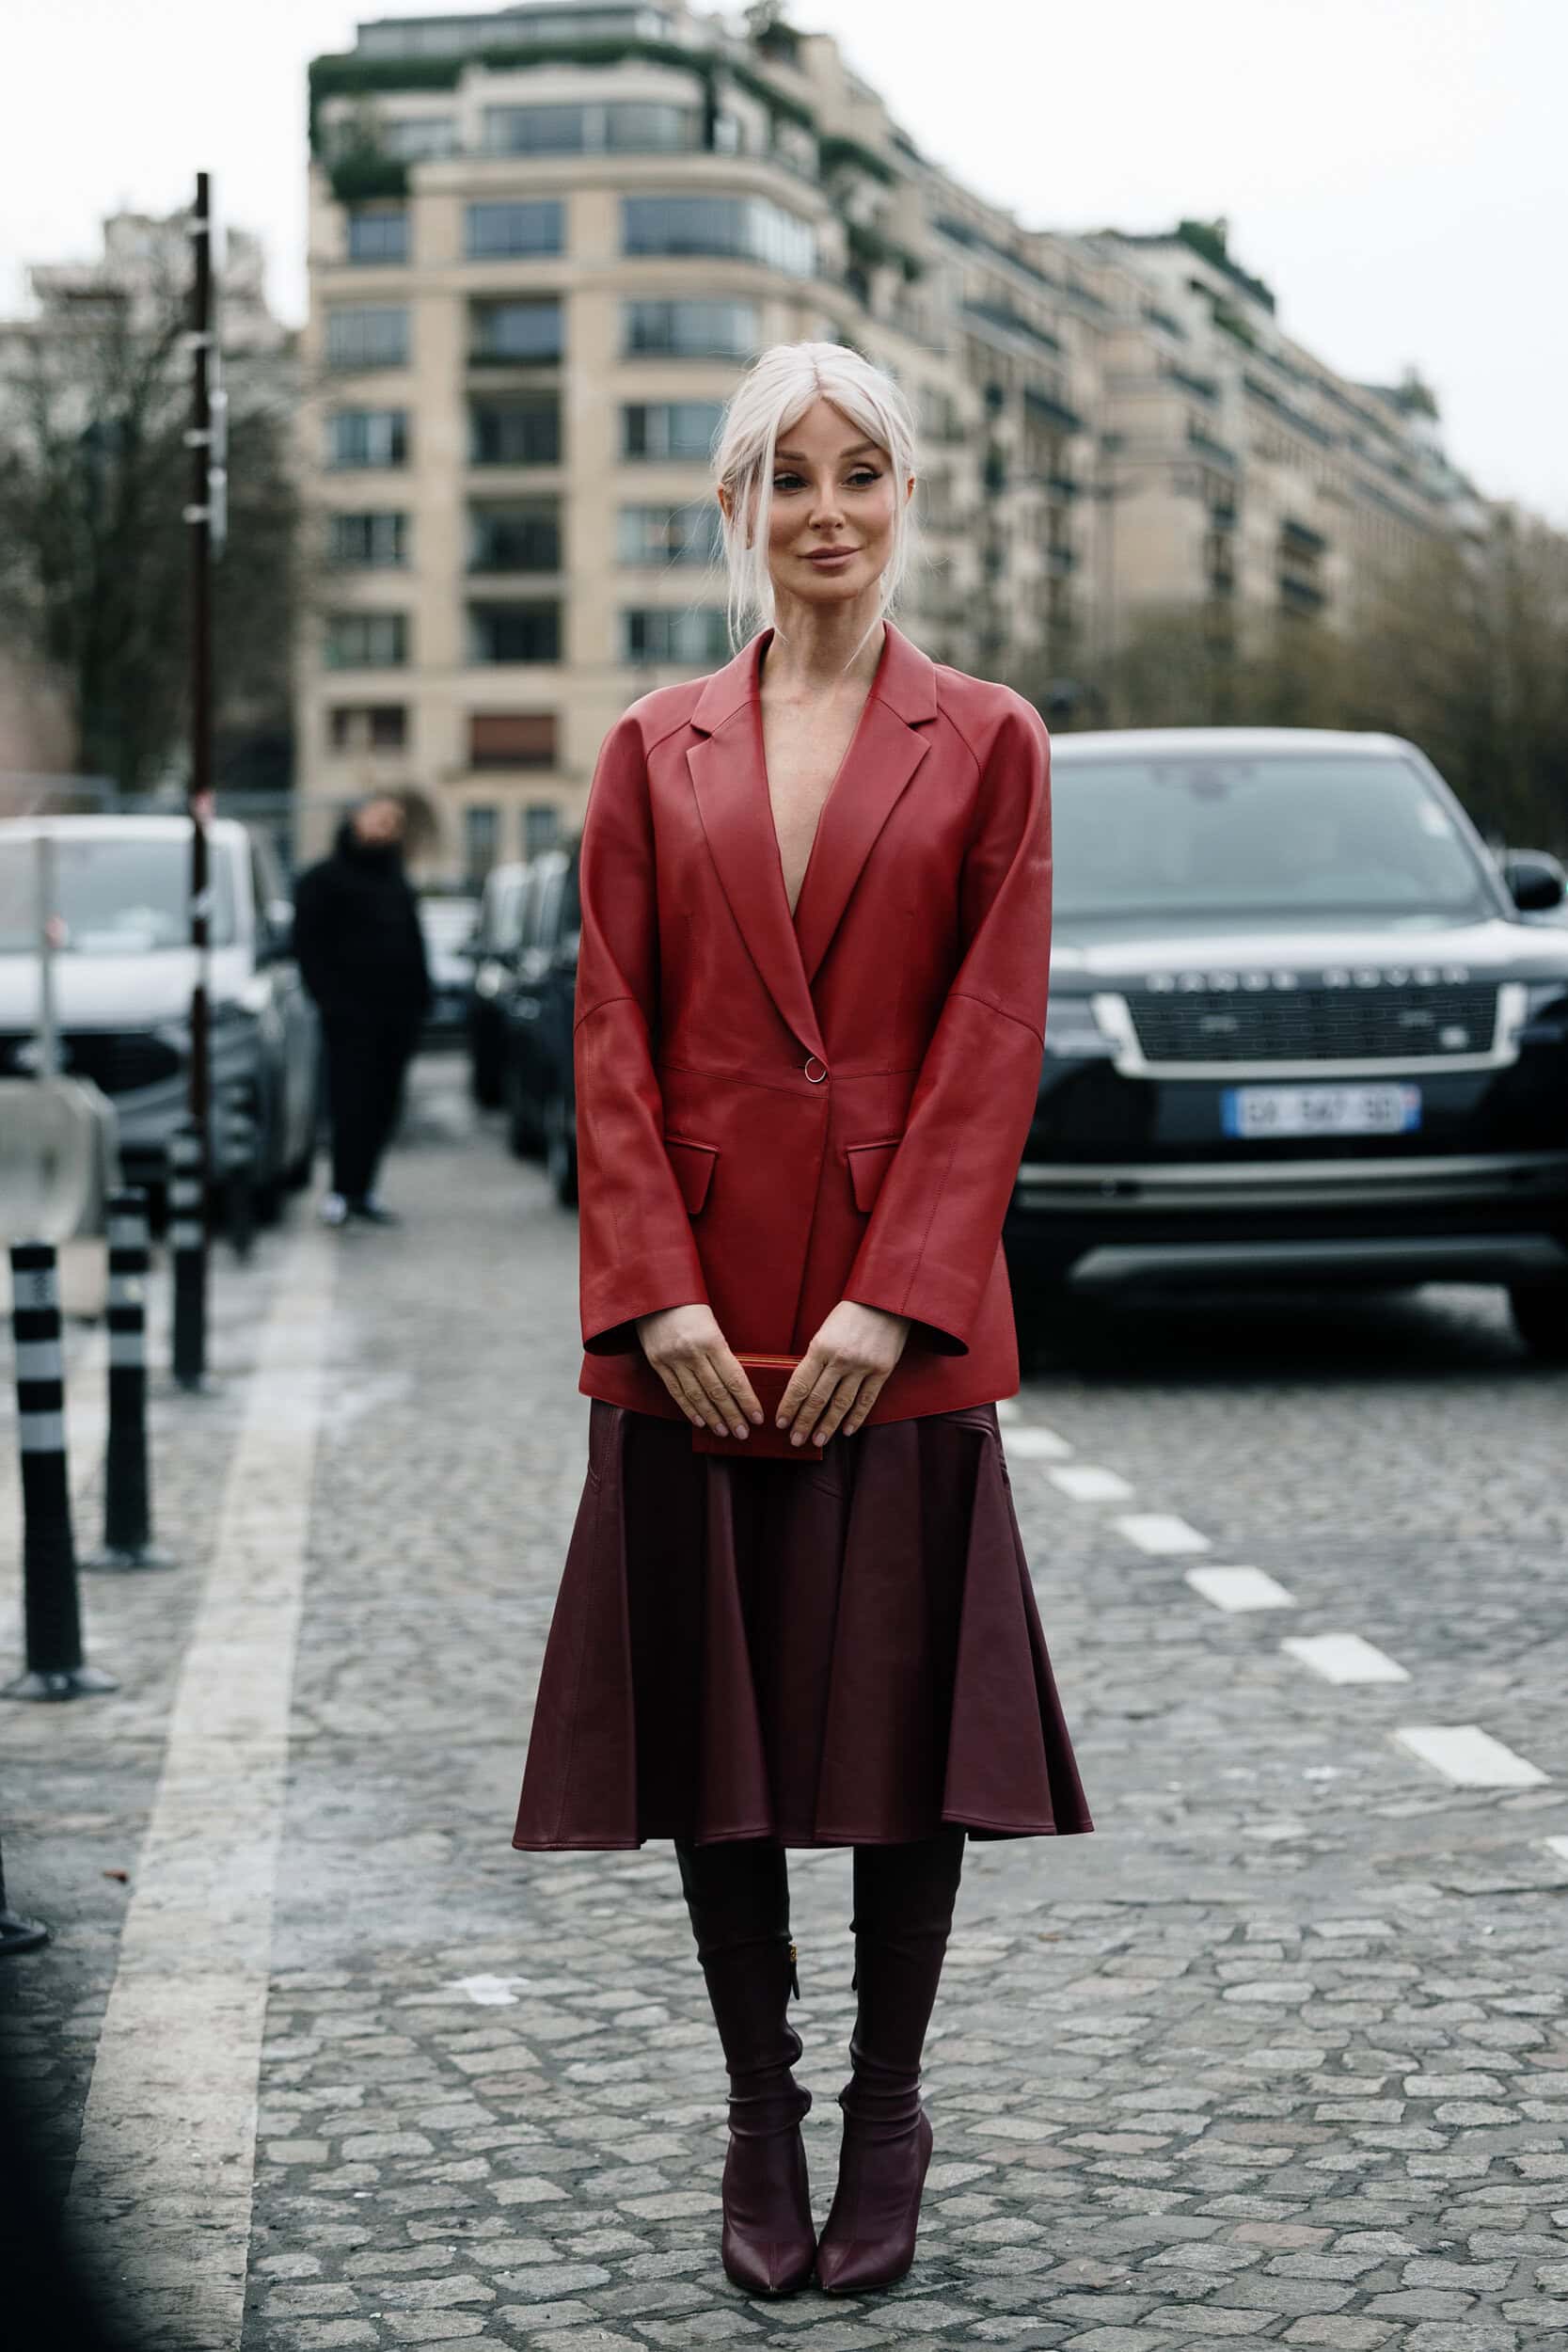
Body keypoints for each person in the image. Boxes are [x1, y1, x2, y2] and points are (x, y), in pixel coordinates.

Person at [513, 343, 1092, 2299]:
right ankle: (756, 2111)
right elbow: (602, 1027)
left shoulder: (990, 737)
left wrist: (893, 1301)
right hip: (693, 1323)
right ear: (734, 511)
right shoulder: (646, 745)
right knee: (722, 1736)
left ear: (902, 496)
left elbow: (988, 1037)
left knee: (891, 1742)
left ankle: (883, 2105)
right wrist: (653, 1289)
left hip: (890, 1330)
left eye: (857, 472)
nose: (824, 508)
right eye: (786, 476)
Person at [292, 793, 430, 1227]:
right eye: (381, 817)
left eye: (396, 820)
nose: (388, 826)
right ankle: (341, 1189)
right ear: (356, 819)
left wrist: (420, 997)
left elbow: (412, 941)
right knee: (350, 1102)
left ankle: (365, 1188)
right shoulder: (323, 880)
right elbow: (307, 946)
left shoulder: (396, 878)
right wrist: (329, 1000)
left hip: (397, 1014)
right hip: (349, 1016)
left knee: (384, 1104)